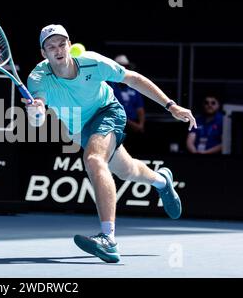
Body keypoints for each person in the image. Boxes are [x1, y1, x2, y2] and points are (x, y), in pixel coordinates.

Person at [23, 24, 197, 263]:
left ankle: (108, 239)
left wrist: (170, 105)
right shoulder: (37, 78)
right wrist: (36, 114)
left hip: (107, 111)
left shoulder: (92, 62)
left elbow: (132, 79)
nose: (58, 50)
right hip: (79, 128)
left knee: (94, 160)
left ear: (70, 45)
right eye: (51, 47)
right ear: (44, 54)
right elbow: (39, 109)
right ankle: (161, 181)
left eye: (62, 43)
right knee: (126, 171)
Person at [108, 55, 146, 154]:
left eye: (126, 67)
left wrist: (140, 125)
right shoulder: (109, 86)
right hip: (116, 126)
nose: (124, 69)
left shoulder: (133, 86)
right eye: (121, 66)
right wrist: (131, 124)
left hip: (134, 128)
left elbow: (140, 108)